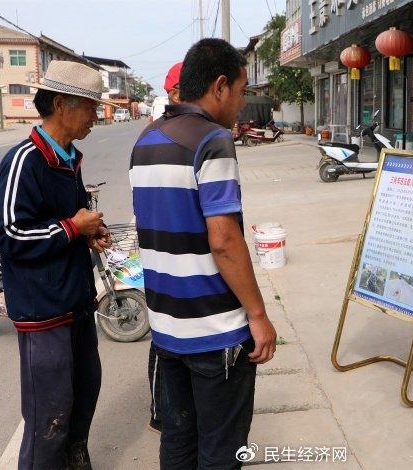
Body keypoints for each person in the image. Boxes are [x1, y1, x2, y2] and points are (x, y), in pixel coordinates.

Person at [129, 38, 277, 469]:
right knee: (221, 450)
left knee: (178, 439)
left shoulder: (146, 139)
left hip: (166, 327)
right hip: (215, 331)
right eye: (242, 90)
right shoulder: (212, 140)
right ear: (219, 86)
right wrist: (258, 314)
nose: (242, 101)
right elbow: (224, 240)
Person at [0, 60, 112, 469]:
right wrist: (72, 228)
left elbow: (66, 221)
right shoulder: (26, 159)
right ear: (62, 103)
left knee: (81, 403)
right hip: (44, 312)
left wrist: (89, 231)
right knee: (48, 420)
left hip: (76, 304)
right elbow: (7, 233)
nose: (97, 117)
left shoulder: (69, 158)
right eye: (91, 107)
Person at [146, 60, 185, 435]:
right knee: (166, 347)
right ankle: (163, 415)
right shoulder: (170, 137)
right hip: (172, 266)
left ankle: (167, 418)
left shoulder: (150, 138)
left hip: (164, 264)